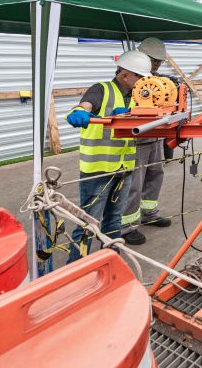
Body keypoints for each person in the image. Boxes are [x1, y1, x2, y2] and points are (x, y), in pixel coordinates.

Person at [65, 49, 152, 263]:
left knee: (114, 220)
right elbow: (85, 105)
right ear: (125, 75)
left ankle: (112, 261)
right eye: (140, 77)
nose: (143, 82)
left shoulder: (137, 97)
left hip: (124, 169)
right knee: (88, 221)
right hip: (97, 170)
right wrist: (80, 112)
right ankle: (75, 267)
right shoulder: (101, 89)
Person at [121, 37, 172, 245]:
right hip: (136, 138)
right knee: (135, 182)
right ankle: (126, 226)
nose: (157, 65)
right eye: (154, 61)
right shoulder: (131, 77)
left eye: (159, 62)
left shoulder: (157, 80)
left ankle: (149, 213)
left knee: (155, 174)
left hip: (155, 136)